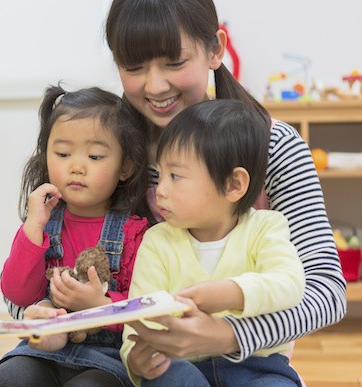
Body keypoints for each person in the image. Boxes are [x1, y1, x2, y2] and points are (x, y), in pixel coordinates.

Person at [104, 0, 345, 374]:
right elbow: (47, 261)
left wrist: (226, 334)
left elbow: (326, 292)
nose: (154, 85)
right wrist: (35, 312)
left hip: (250, 362)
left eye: (174, 62)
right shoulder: (105, 152)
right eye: (133, 67)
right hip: (131, 358)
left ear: (215, 50)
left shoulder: (272, 146)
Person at [122, 99, 306, 386]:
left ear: (233, 185)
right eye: (160, 174)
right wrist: (134, 359)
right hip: (181, 366)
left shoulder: (266, 228)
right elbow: (138, 318)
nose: (161, 190)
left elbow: (290, 283)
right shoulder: (157, 240)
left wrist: (231, 293)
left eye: (176, 176)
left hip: (258, 365)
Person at [0, 84, 153, 387]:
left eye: (96, 156)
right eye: (62, 153)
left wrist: (100, 304)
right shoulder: (42, 223)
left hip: (108, 359)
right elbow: (17, 293)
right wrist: (32, 228)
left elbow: (145, 307)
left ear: (125, 167)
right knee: (5, 380)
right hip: (43, 353)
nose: (76, 166)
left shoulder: (135, 232)